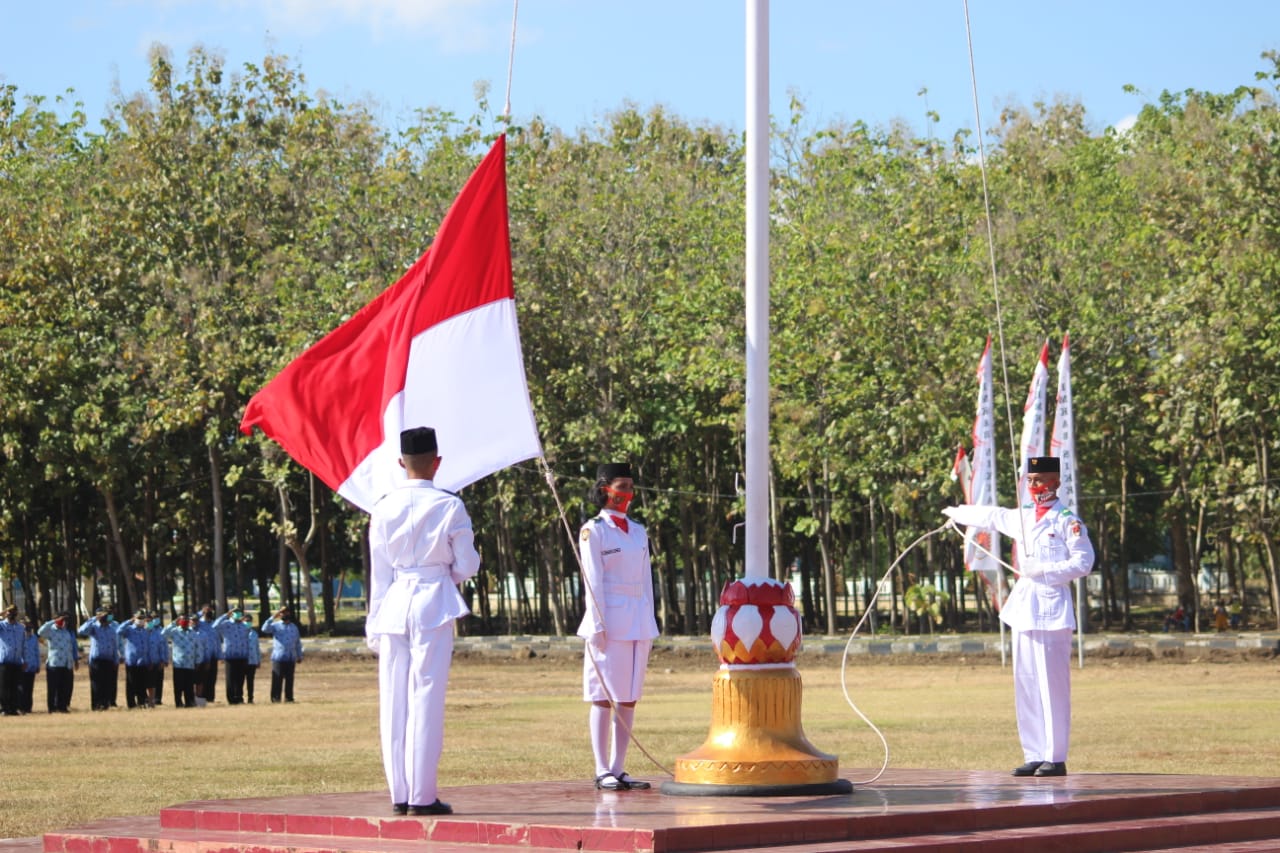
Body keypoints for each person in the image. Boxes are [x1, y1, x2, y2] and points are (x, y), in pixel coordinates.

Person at [943, 455, 1094, 779]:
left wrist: (1047, 571)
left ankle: (1055, 756)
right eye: (1030, 481)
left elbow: (1084, 562)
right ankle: (1034, 753)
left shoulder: (1067, 521)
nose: (1035, 486)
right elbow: (993, 516)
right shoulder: (1023, 517)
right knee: (1025, 683)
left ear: (1055, 482)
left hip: (1052, 609)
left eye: (1040, 480)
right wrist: (957, 513)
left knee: (1052, 685)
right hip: (1025, 608)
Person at [365, 426, 480, 816]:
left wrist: (372, 624)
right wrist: (448, 573)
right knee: (426, 696)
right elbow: (466, 564)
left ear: (401, 463)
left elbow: (379, 573)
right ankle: (422, 795)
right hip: (433, 599)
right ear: (438, 462)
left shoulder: (382, 507)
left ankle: (399, 792)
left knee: (393, 700)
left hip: (395, 601)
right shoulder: (449, 505)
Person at [576, 462, 659, 791]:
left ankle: (619, 767)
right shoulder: (593, 530)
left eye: (630, 487)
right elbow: (593, 580)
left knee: (628, 698)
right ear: (603, 489)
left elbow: (646, 581)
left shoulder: (639, 531)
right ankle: (601, 768)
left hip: (637, 620)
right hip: (608, 621)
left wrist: (650, 621)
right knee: (602, 696)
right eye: (621, 486)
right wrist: (596, 624)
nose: (627, 493)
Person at [78, 608, 120, 711]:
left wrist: (116, 659)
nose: (105, 618)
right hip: (96, 660)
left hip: (109, 660)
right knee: (96, 684)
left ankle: (105, 704)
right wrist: (94, 618)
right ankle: (96, 705)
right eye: (103, 616)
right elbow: (81, 631)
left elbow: (114, 645)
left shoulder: (111, 629)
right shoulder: (94, 628)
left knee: (107, 683)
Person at [38, 612, 79, 712]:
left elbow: (73, 646)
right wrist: (54, 621)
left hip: (66, 662)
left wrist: (75, 659)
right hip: (54, 663)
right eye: (62, 620)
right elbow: (40, 632)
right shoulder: (51, 630)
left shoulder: (68, 631)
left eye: (65, 620)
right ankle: (52, 708)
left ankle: (63, 706)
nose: (64, 622)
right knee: (53, 688)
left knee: (65, 687)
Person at [261, 607, 303, 703]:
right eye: (281, 613)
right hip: (278, 657)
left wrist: (299, 655)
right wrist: (273, 616)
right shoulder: (275, 626)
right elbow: (264, 629)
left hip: (290, 657)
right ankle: (276, 698)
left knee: (289, 679)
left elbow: (297, 643)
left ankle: (289, 698)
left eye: (285, 613)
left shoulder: (294, 627)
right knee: (277, 679)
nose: (283, 615)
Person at [213, 607, 253, 704]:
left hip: (242, 655)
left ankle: (239, 697)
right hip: (230, 656)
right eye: (236, 613)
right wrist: (227, 614)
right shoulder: (226, 624)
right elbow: (215, 625)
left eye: (239, 613)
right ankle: (231, 699)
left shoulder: (244, 626)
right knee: (231, 679)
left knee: (240, 678)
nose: (238, 614)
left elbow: (249, 636)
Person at [116, 610, 155, 708]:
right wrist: (129, 621)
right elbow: (118, 631)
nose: (141, 620)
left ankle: (141, 702)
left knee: (142, 684)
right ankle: (131, 704)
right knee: (131, 684)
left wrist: (150, 660)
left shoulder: (146, 631)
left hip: (143, 661)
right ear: (134, 618)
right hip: (132, 661)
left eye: (142, 618)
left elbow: (148, 646)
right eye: (139, 618)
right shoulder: (129, 629)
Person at [162, 614, 200, 708]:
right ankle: (178, 703)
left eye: (187, 620)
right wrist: (173, 623)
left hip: (190, 663)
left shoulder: (193, 632)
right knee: (178, 685)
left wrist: (198, 660)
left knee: (189, 685)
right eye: (183, 619)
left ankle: (189, 702)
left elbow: (197, 647)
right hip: (178, 663)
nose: (185, 621)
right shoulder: (174, 631)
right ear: (179, 621)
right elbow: (163, 634)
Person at [0, 605, 28, 716]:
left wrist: (25, 660)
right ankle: (4, 709)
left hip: (16, 662)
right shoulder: (1, 626)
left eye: (13, 612)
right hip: (4, 662)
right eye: (9, 612)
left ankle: (13, 708)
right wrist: (1, 613)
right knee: (3, 687)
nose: (11, 614)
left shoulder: (21, 627)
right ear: (6, 613)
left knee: (15, 687)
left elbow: (23, 644)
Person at [193, 605, 220, 703]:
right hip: (202, 655)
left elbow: (217, 640)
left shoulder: (214, 624)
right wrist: (202, 611)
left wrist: (219, 654)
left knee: (212, 677)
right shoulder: (199, 622)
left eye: (210, 611)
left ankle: (210, 697)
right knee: (202, 677)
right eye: (207, 611)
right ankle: (201, 697)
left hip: (213, 654)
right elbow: (193, 617)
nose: (209, 612)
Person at [19, 619, 39, 714]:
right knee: (21, 688)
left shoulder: (34, 638)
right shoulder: (19, 637)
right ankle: (21, 707)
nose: (28, 630)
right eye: (26, 627)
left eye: (29, 627)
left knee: (29, 688)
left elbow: (36, 652)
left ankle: (28, 707)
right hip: (22, 667)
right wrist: (22, 662)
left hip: (31, 667)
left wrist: (37, 664)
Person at [244, 616, 261, 704]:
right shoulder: (240, 633)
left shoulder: (254, 634)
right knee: (241, 680)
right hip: (242, 660)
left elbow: (257, 648)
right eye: (246, 621)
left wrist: (258, 660)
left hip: (252, 660)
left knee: (250, 681)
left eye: (249, 621)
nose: (248, 623)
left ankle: (250, 698)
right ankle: (240, 697)